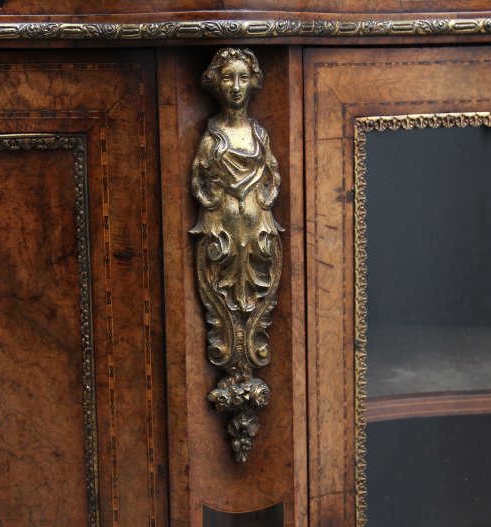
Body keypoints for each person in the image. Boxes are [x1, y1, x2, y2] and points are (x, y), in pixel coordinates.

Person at [190, 48, 283, 463]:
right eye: (229, 78)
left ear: (254, 81)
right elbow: (200, 181)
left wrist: (261, 190)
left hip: (257, 228)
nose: (237, 87)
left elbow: (273, 176)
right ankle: (237, 365)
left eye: (244, 78)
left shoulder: (259, 135)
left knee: (253, 285)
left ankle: (245, 359)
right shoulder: (213, 137)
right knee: (226, 287)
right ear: (217, 82)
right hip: (221, 229)